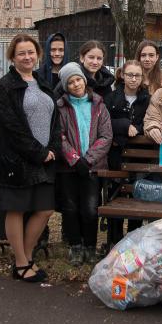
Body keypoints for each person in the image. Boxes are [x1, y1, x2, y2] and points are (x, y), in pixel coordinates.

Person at [0, 34, 60, 283]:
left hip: (44, 159)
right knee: (17, 209)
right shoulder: (6, 86)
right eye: (21, 53)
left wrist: (51, 148)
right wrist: (38, 152)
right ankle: (21, 263)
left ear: (38, 53)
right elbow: (11, 127)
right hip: (16, 159)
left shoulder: (42, 82)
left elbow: (55, 120)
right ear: (12, 56)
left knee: (44, 209)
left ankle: (26, 256)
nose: (27, 57)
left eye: (31, 52)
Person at [56, 62, 113, 266]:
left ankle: (90, 245)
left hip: (92, 167)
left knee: (90, 208)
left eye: (78, 79)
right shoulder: (60, 107)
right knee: (70, 208)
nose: (76, 84)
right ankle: (75, 246)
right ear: (65, 86)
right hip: (68, 168)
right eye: (70, 82)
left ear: (84, 80)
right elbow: (59, 136)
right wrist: (73, 159)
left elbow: (106, 136)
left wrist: (87, 160)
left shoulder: (98, 105)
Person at [104, 60, 150, 243]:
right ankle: (114, 240)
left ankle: (133, 240)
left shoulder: (147, 99)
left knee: (137, 197)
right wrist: (125, 125)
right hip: (116, 156)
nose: (133, 79)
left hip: (139, 154)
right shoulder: (112, 97)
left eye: (137, 75)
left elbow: (149, 122)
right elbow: (104, 122)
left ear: (142, 77)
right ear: (122, 75)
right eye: (129, 74)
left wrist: (136, 129)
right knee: (116, 194)